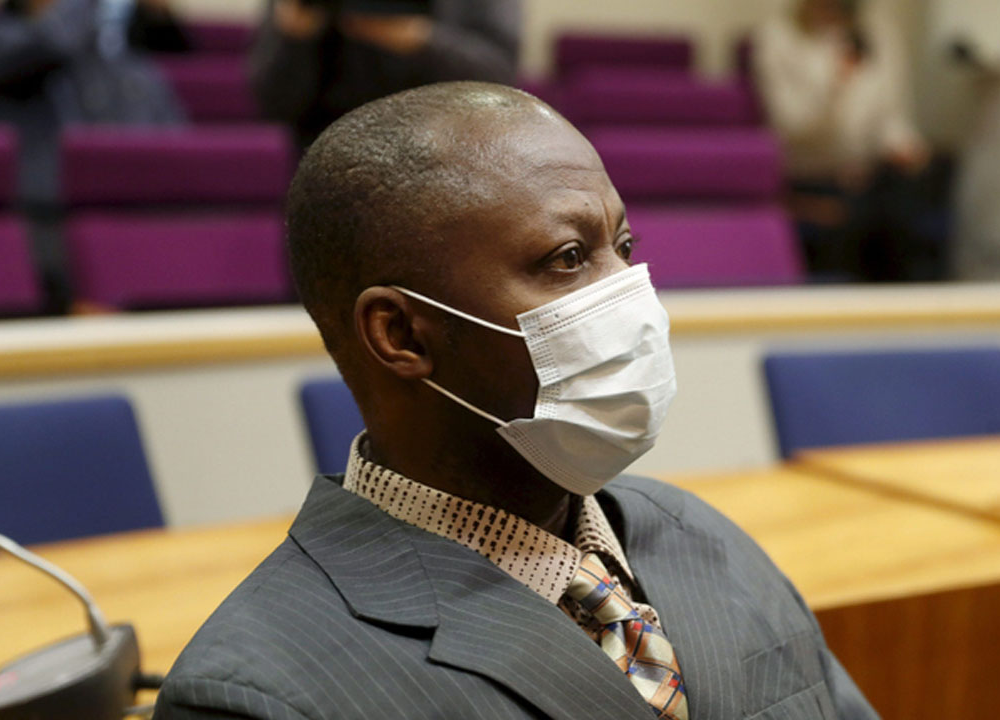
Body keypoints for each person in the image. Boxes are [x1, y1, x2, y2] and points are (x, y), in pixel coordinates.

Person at [152, 81, 879, 720]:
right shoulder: (257, 694)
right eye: (568, 258)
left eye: (622, 248)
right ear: (401, 333)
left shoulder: (704, 535)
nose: (634, 301)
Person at [753, 0, 947, 283]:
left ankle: (913, 300)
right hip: (813, 175)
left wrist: (904, 146)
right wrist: (836, 88)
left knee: (919, 195)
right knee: (860, 224)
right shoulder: (777, 38)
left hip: (873, 174)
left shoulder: (878, 31)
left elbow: (891, 116)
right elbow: (792, 127)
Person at [0, 0, 186, 207]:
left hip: (125, 207)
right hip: (39, 210)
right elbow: (50, 44)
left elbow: (176, 148)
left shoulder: (125, 63)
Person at [251, 0, 520, 150]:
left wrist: (422, 40)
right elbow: (272, 101)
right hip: (331, 162)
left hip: (443, 155)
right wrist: (295, 38)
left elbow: (499, 80)